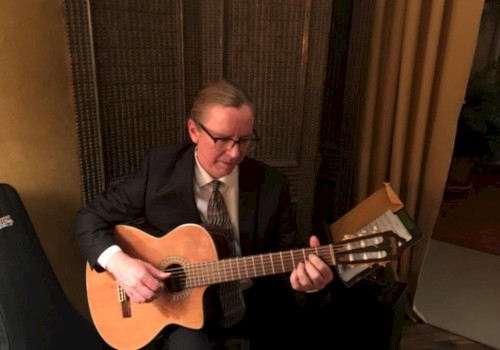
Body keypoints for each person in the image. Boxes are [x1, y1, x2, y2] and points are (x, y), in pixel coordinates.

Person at [75, 79, 334, 350]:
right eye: (222, 139)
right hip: (179, 314)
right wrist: (121, 264)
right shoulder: (160, 171)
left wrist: (310, 282)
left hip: (252, 308)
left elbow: (289, 253)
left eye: (245, 140)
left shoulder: (271, 184)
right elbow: (89, 218)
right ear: (193, 130)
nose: (235, 153)